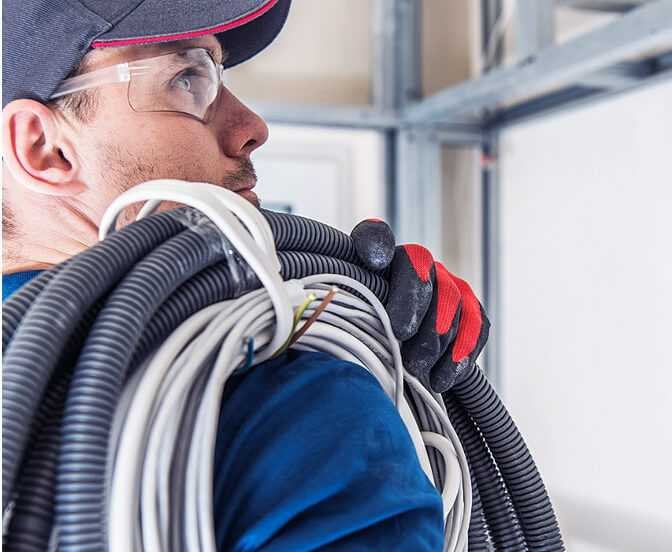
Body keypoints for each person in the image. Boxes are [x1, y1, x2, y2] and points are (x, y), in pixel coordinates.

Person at [2, 1, 489, 549]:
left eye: (217, 73)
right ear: (44, 149)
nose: (252, 127)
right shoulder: (296, 411)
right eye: (186, 78)